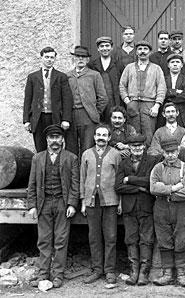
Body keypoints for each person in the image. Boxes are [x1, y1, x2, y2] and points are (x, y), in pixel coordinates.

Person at [27, 124, 79, 288]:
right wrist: (32, 205)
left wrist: (72, 204)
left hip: (62, 204)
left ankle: (57, 275)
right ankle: (43, 274)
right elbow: (32, 183)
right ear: (47, 140)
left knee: (61, 241)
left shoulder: (71, 158)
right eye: (51, 138)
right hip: (44, 203)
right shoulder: (38, 158)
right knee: (43, 240)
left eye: (58, 137)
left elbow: (75, 185)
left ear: (62, 139)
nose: (55, 141)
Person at [115, 134, 160, 286]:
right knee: (131, 239)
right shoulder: (123, 163)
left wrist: (130, 180)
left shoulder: (152, 161)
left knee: (146, 240)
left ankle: (143, 273)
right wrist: (139, 188)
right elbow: (118, 186)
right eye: (134, 146)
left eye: (139, 146)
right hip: (129, 207)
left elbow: (150, 182)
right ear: (129, 148)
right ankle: (133, 271)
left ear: (144, 147)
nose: (137, 149)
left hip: (146, 206)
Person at [80, 125, 122, 285]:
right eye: (98, 135)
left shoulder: (115, 155)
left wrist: (120, 202)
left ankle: (110, 270)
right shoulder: (86, 154)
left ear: (109, 138)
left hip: (110, 201)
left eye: (104, 135)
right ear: (94, 137)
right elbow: (83, 178)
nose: (101, 137)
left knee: (110, 236)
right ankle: (97, 269)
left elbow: (119, 179)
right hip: (92, 202)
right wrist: (83, 201)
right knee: (94, 237)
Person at [150, 138, 185, 287]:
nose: (170, 155)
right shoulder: (157, 168)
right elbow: (153, 188)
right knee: (164, 240)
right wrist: (174, 188)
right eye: (167, 152)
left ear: (178, 151)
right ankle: (167, 274)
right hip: (161, 208)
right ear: (162, 152)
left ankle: (182, 274)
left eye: (173, 152)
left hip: (182, 209)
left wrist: (164, 190)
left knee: (182, 239)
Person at [23, 47, 73, 152]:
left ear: (55, 59)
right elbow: (28, 99)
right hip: (38, 117)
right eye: (46, 57)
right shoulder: (33, 77)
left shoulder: (61, 76)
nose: (49, 60)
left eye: (52, 57)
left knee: (55, 144)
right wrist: (26, 120)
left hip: (55, 117)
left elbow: (67, 99)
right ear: (41, 58)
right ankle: (41, 168)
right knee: (40, 146)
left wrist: (66, 119)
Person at [119, 40, 166, 143]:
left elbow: (161, 88)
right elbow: (122, 86)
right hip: (133, 104)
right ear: (136, 52)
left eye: (145, 49)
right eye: (140, 49)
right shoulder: (129, 67)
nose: (142, 51)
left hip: (149, 105)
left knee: (148, 134)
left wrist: (157, 106)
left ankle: (148, 157)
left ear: (149, 52)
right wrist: (128, 101)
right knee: (133, 133)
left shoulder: (156, 68)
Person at [67, 46, 108, 157]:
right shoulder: (67, 76)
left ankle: (87, 173)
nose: (80, 59)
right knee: (71, 148)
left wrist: (95, 112)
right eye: (77, 57)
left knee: (87, 147)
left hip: (88, 116)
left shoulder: (94, 75)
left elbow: (103, 97)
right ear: (73, 59)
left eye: (83, 57)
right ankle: (74, 174)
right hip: (71, 115)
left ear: (87, 60)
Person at [88, 36, 124, 122]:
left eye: (107, 46)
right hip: (98, 103)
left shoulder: (118, 64)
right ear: (98, 49)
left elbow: (123, 84)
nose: (105, 48)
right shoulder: (92, 65)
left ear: (111, 48)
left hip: (114, 102)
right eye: (102, 46)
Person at [164, 53, 185, 128]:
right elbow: (162, 93)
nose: (175, 64)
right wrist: (176, 91)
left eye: (177, 62)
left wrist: (169, 96)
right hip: (166, 111)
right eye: (172, 62)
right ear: (168, 65)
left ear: (182, 65)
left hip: (183, 110)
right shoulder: (163, 79)